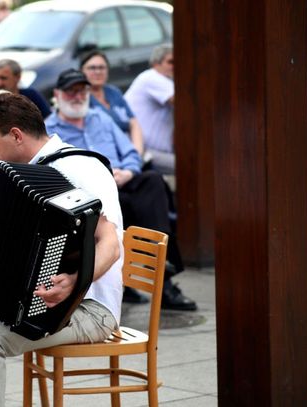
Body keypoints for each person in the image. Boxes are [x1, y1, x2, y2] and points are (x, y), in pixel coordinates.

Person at [0, 92, 122, 406]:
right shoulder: (29, 172)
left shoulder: (81, 169)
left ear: (16, 135)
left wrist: (76, 280)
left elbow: (111, 242)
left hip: (88, 308)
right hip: (42, 301)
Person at [45, 69, 197, 311]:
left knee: (153, 181)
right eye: (71, 91)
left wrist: (128, 171)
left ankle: (161, 264)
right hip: (90, 194)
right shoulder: (51, 129)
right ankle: (159, 277)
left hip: (122, 182)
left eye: (82, 90)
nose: (77, 96)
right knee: (123, 208)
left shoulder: (101, 118)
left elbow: (129, 152)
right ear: (57, 94)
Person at [80, 50, 144, 156]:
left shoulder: (113, 92)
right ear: (81, 71)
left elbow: (134, 123)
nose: (98, 72)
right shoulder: (80, 97)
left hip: (129, 151)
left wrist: (137, 152)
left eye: (102, 67)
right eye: (92, 68)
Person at [124, 44, 175, 175]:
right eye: (170, 62)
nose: (175, 66)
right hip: (142, 150)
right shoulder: (151, 77)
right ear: (156, 64)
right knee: (192, 165)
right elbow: (184, 103)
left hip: (155, 151)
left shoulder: (165, 81)